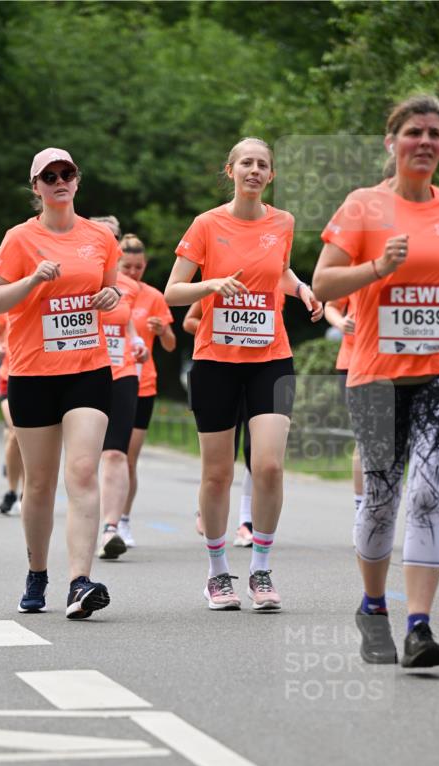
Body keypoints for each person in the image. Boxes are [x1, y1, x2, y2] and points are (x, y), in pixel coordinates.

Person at [313, 94, 439, 668]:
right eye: (413, 132)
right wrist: (378, 268)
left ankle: (419, 626)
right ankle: (373, 606)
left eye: (434, 133)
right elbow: (322, 284)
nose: (425, 141)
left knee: (427, 492)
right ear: (391, 142)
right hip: (376, 373)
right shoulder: (363, 206)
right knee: (381, 499)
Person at [165, 137, 322, 612]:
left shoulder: (283, 223)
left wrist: (302, 289)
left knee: (269, 465)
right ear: (230, 170)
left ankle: (261, 568)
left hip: (270, 358)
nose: (254, 170)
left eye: (262, 164)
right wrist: (211, 284)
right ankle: (217, 573)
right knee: (217, 473)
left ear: (271, 175)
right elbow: (172, 291)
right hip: (216, 361)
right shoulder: (207, 224)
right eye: (246, 163)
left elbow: (279, 272)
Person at [0, 147, 121, 619]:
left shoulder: (99, 237)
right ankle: (37, 572)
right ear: (36, 187)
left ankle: (80, 582)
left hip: (88, 369)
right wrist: (32, 282)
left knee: (81, 472)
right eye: (50, 176)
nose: (60, 181)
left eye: (67, 174)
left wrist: (110, 296)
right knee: (39, 484)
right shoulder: (20, 238)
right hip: (32, 373)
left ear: (77, 181)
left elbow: (111, 288)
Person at [89, 218, 149, 559]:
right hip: (83, 372)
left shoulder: (128, 285)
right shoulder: (75, 275)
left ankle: (110, 529)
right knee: (84, 460)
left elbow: (125, 323)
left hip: (122, 372)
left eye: (114, 238)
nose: (110, 243)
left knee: (116, 453)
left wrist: (136, 341)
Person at [116, 233, 176, 547]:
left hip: (142, 384)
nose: (133, 272)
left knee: (128, 458)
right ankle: (103, 519)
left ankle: (122, 520)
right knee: (106, 456)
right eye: (127, 266)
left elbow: (171, 345)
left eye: (138, 267)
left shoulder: (153, 296)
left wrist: (163, 331)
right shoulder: (107, 293)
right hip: (109, 382)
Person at [184, 299, 253, 546]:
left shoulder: (275, 284)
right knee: (224, 455)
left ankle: (246, 522)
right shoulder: (215, 284)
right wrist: (226, 328)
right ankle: (206, 510)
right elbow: (189, 321)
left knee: (256, 452)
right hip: (221, 369)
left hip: (258, 371)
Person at [324, 295, 363, 528]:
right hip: (354, 361)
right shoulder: (356, 273)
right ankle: (362, 514)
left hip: (402, 360)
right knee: (366, 438)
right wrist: (340, 322)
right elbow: (331, 305)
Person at [0, 312, 24, 515]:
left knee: (30, 438)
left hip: (37, 375)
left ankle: (26, 493)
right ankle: (11, 491)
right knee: (16, 432)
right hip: (9, 375)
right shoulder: (9, 301)